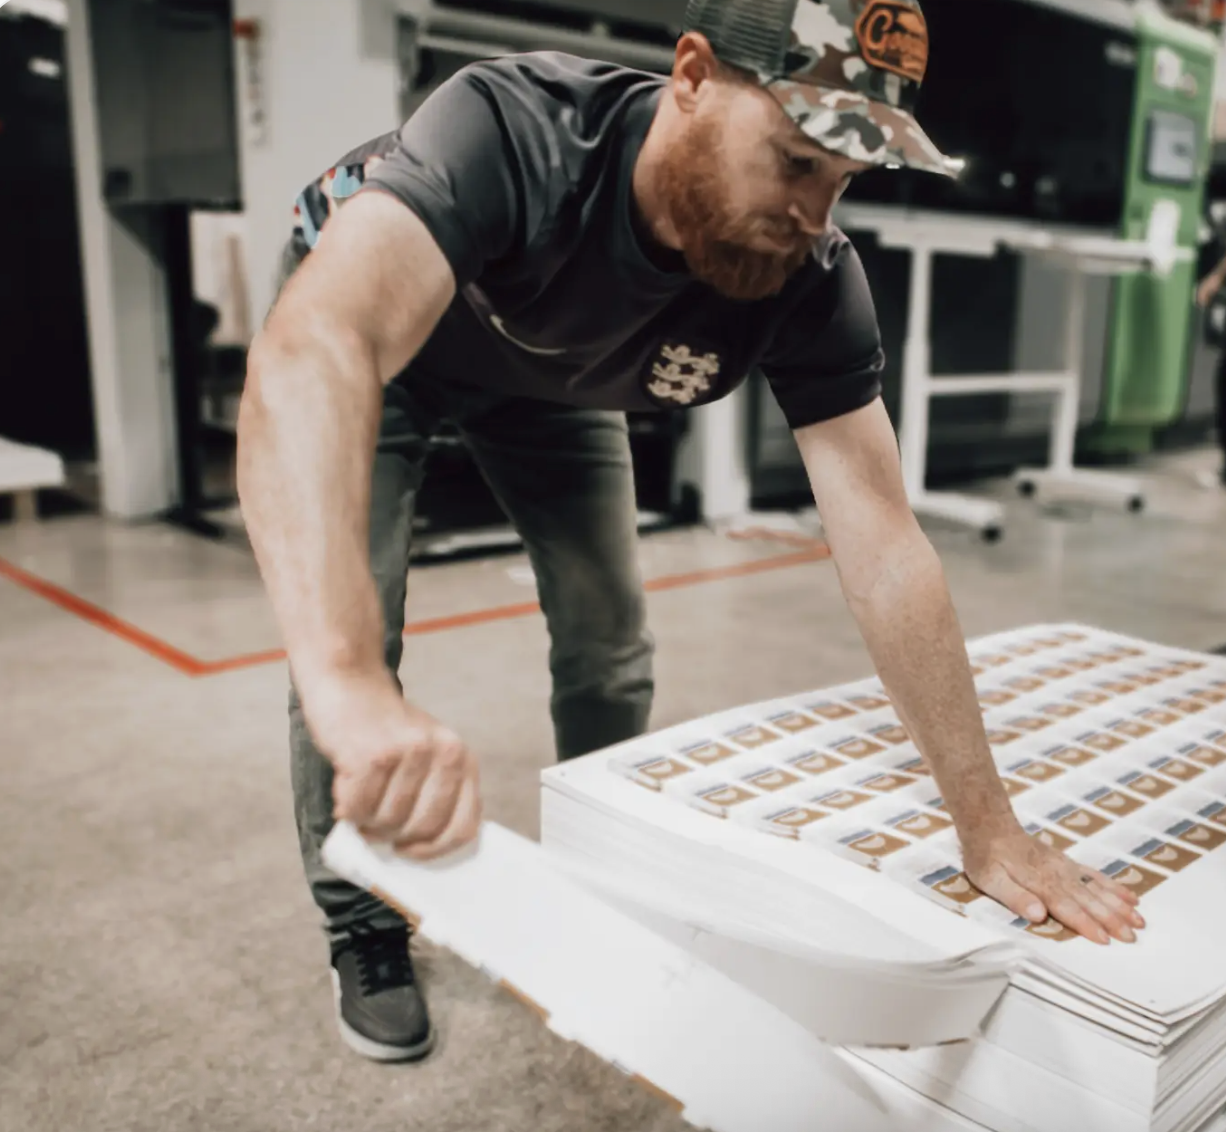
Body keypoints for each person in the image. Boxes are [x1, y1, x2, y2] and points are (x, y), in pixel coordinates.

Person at [237, 0, 1146, 1064]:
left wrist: (986, 824)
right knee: (352, 633)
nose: (814, 212)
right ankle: (361, 927)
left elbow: (884, 542)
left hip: (552, 379)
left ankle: (600, 879)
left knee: (608, 638)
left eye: (846, 177)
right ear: (691, 76)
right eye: (796, 160)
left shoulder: (808, 276)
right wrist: (349, 681)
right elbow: (316, 348)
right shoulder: (513, 131)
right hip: (394, 347)